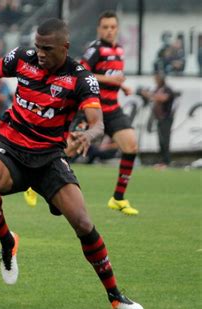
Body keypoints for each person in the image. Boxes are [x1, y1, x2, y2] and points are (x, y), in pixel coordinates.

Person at [0, 18, 143, 309]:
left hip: (50, 158)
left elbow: (97, 123)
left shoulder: (81, 78)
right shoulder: (22, 58)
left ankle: (116, 296)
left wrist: (86, 135)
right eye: (38, 46)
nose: (40, 53)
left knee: (83, 223)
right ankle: (7, 242)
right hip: (12, 148)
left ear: (65, 47)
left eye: (47, 48)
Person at [80, 11, 139, 215]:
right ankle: (34, 184)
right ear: (99, 29)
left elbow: (113, 76)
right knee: (70, 149)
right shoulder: (94, 50)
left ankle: (118, 198)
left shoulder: (120, 50)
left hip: (112, 109)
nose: (109, 30)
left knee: (131, 145)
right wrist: (110, 81)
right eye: (105, 27)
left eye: (113, 27)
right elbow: (82, 74)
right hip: (92, 109)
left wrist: (121, 87)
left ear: (117, 29)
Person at [140, 72, 175, 168]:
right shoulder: (157, 89)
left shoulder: (167, 89)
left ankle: (167, 161)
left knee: (165, 140)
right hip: (159, 118)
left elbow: (163, 98)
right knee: (160, 140)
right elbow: (154, 97)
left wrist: (149, 94)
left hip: (166, 118)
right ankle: (163, 160)